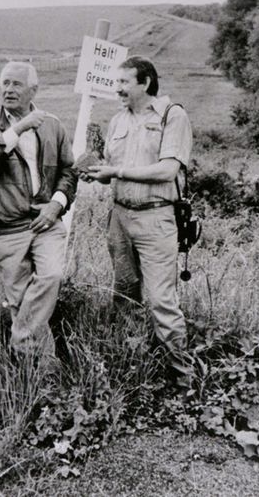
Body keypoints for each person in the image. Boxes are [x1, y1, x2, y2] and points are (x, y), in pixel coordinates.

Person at [84, 56, 193, 374]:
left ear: (145, 83)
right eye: (116, 83)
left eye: (123, 83)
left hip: (155, 219)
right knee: (125, 292)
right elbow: (111, 172)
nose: (117, 89)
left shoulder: (173, 116)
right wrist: (97, 173)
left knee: (161, 299)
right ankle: (134, 362)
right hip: (119, 218)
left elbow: (167, 169)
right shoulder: (117, 120)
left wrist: (116, 170)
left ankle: (180, 374)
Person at [0, 61, 76, 357]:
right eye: (4, 83)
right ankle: (43, 373)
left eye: (16, 84)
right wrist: (17, 129)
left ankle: (19, 342)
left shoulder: (52, 124)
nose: (8, 89)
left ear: (33, 90)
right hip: (5, 225)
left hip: (47, 220)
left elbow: (69, 171)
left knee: (51, 276)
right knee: (19, 300)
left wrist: (56, 205)